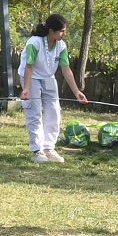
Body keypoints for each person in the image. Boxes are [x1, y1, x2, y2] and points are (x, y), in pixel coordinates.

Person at [19, 13, 86, 163]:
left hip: (48, 78)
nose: (64, 34)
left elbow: (66, 69)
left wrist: (76, 92)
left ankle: (49, 148)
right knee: (34, 112)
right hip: (32, 77)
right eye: (61, 31)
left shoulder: (61, 45)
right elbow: (28, 66)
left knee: (54, 111)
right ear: (51, 31)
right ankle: (37, 151)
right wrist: (26, 89)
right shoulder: (34, 43)